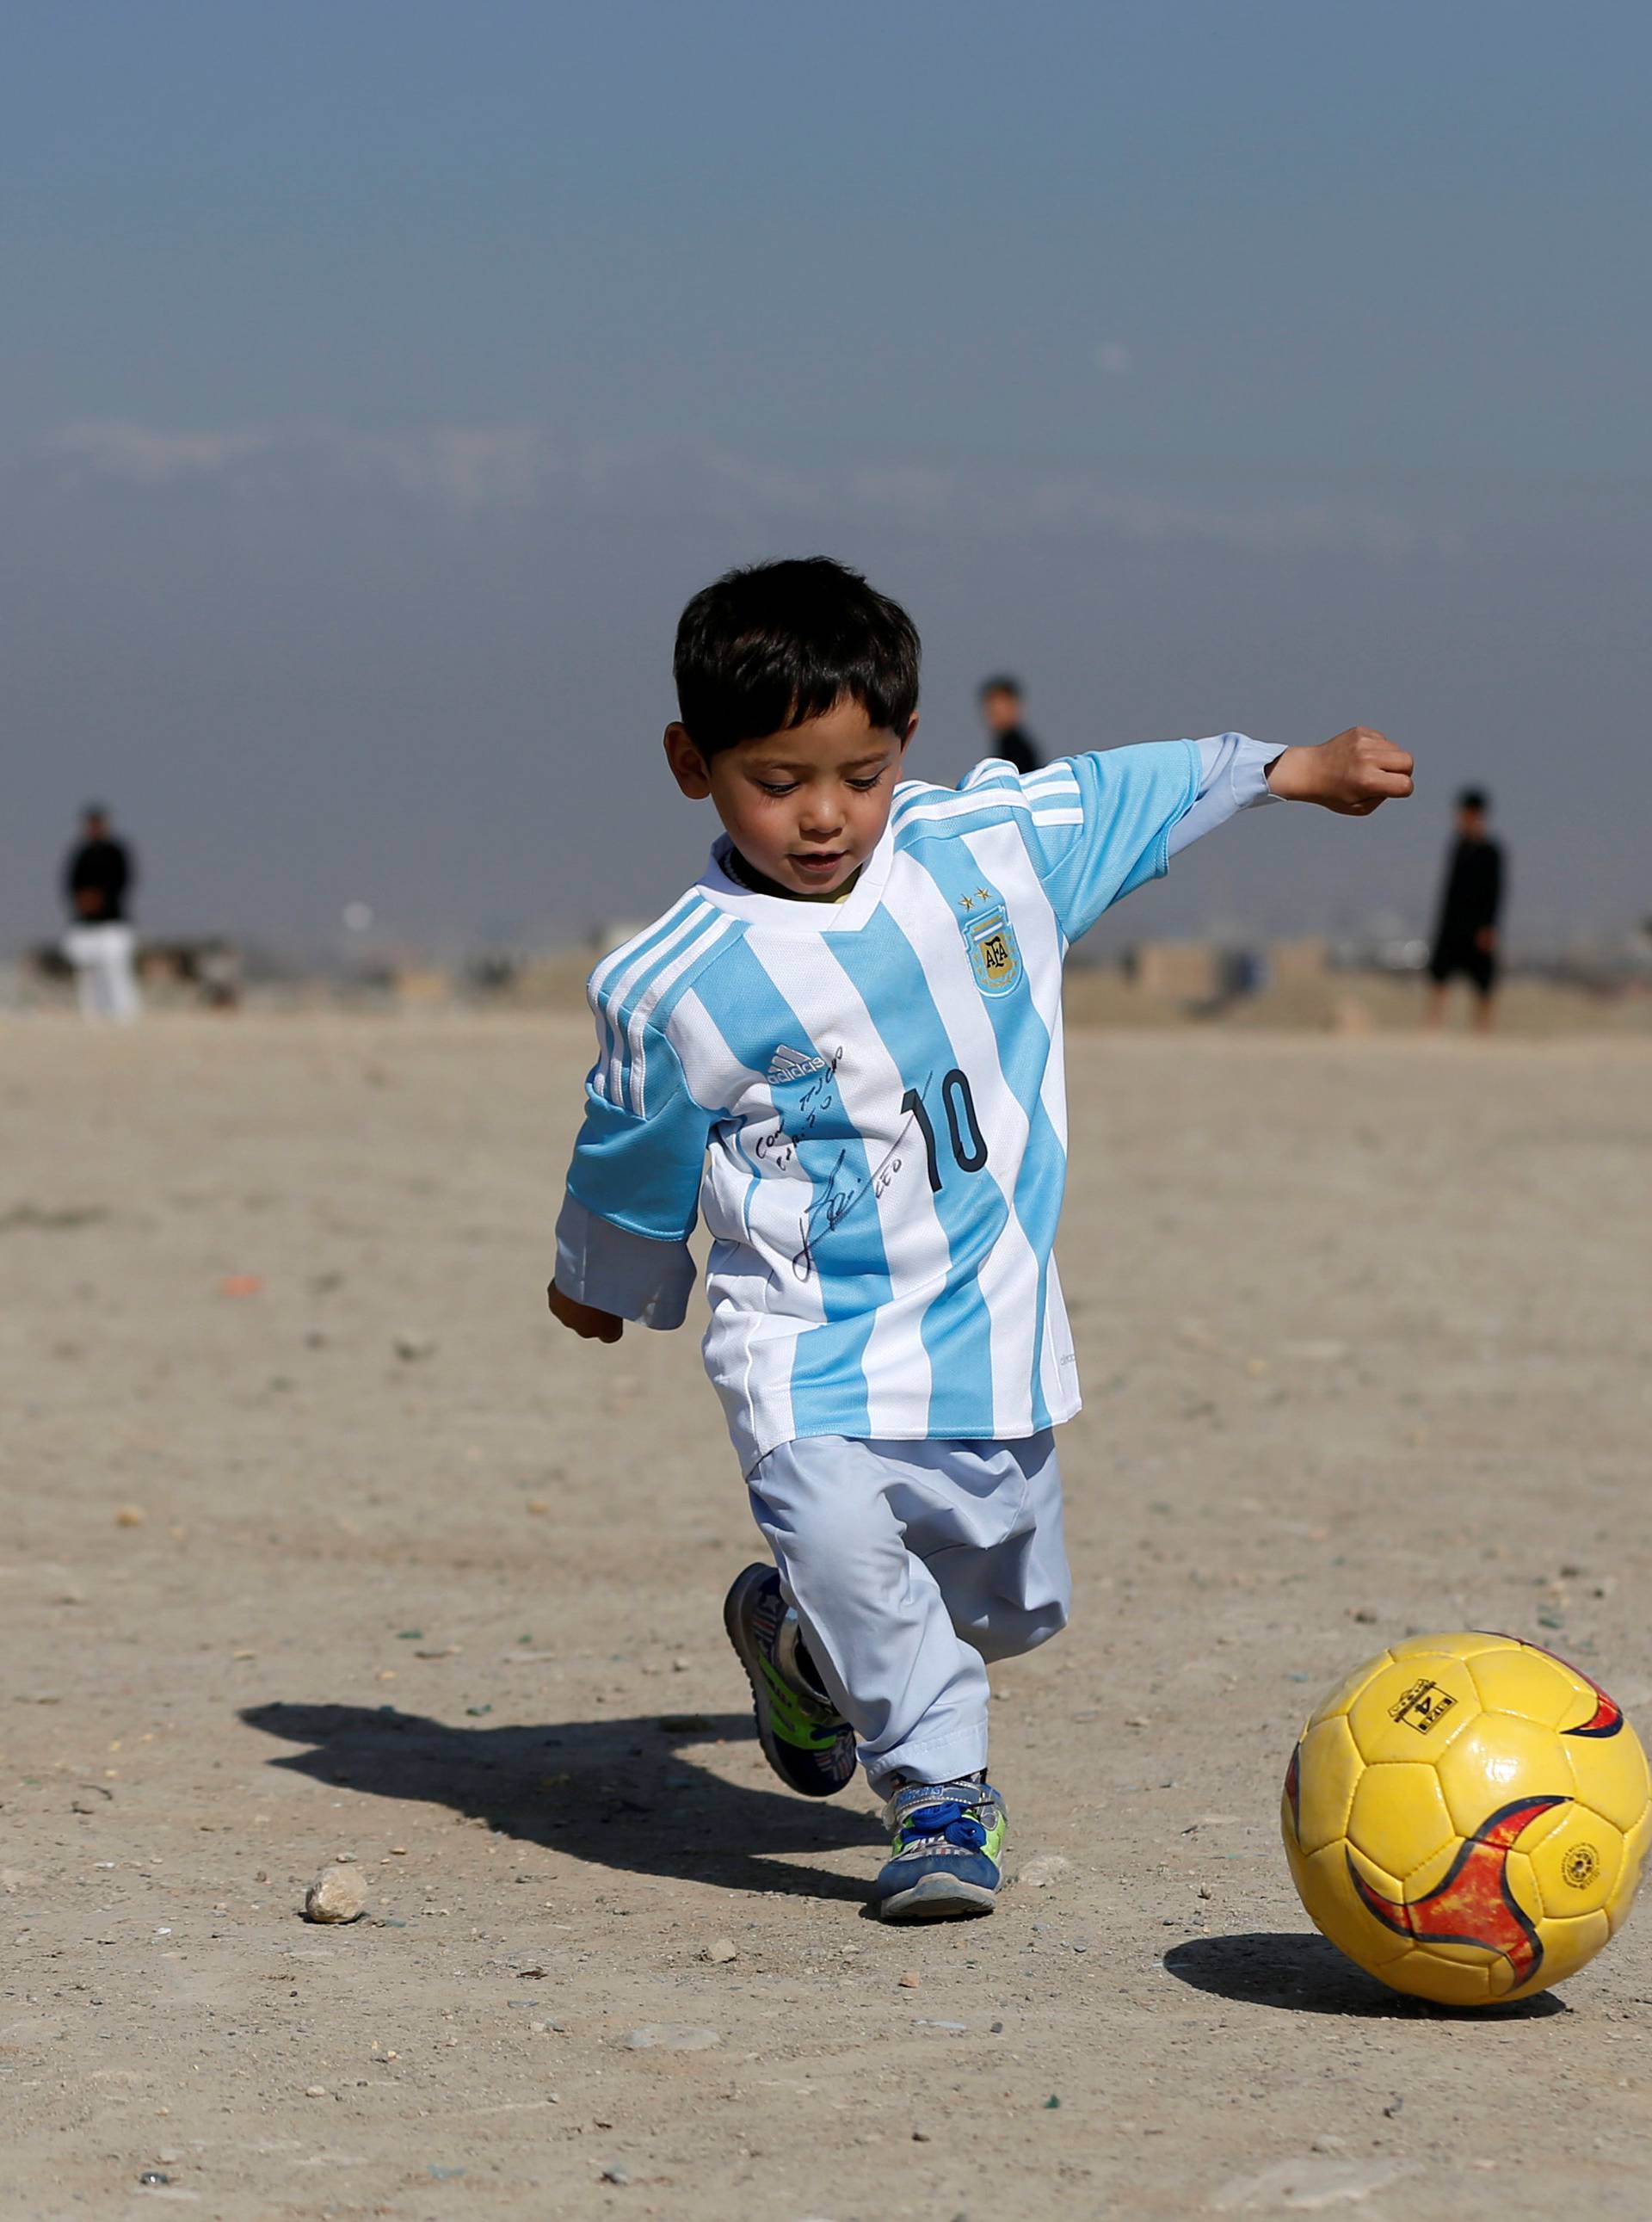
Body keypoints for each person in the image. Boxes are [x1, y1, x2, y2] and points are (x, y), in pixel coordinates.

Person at [548, 558, 1413, 1921]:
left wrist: (1289, 768)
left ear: (904, 751)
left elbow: (1123, 789)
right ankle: (941, 1794)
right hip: (802, 1341)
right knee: (838, 1536)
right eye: (778, 780)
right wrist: (604, 1279)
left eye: (862, 772)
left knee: (1009, 1613)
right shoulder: (677, 981)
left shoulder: (980, 858)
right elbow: (632, 1141)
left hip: (984, 1325)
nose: (825, 815)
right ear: (691, 763)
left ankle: (795, 1646)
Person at [1426, 788, 1504, 1034]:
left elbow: (1495, 892)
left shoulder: (1491, 852)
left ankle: (1483, 1028)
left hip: (1478, 925)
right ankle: (1433, 1025)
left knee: (1483, 980)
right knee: (1439, 974)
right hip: (1452, 923)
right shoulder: (1457, 846)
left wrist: (1489, 926)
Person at [62, 805, 142, 1023]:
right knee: (87, 972)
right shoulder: (81, 854)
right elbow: (70, 884)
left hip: (113, 922)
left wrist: (102, 899)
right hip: (85, 924)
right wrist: (83, 901)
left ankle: (124, 1015)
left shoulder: (116, 852)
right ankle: (92, 1015)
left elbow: (124, 882)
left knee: (116, 969)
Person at [977, 675, 1042, 775]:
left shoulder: (1016, 748)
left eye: (999, 710)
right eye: (992, 711)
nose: (994, 716)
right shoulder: (1007, 743)